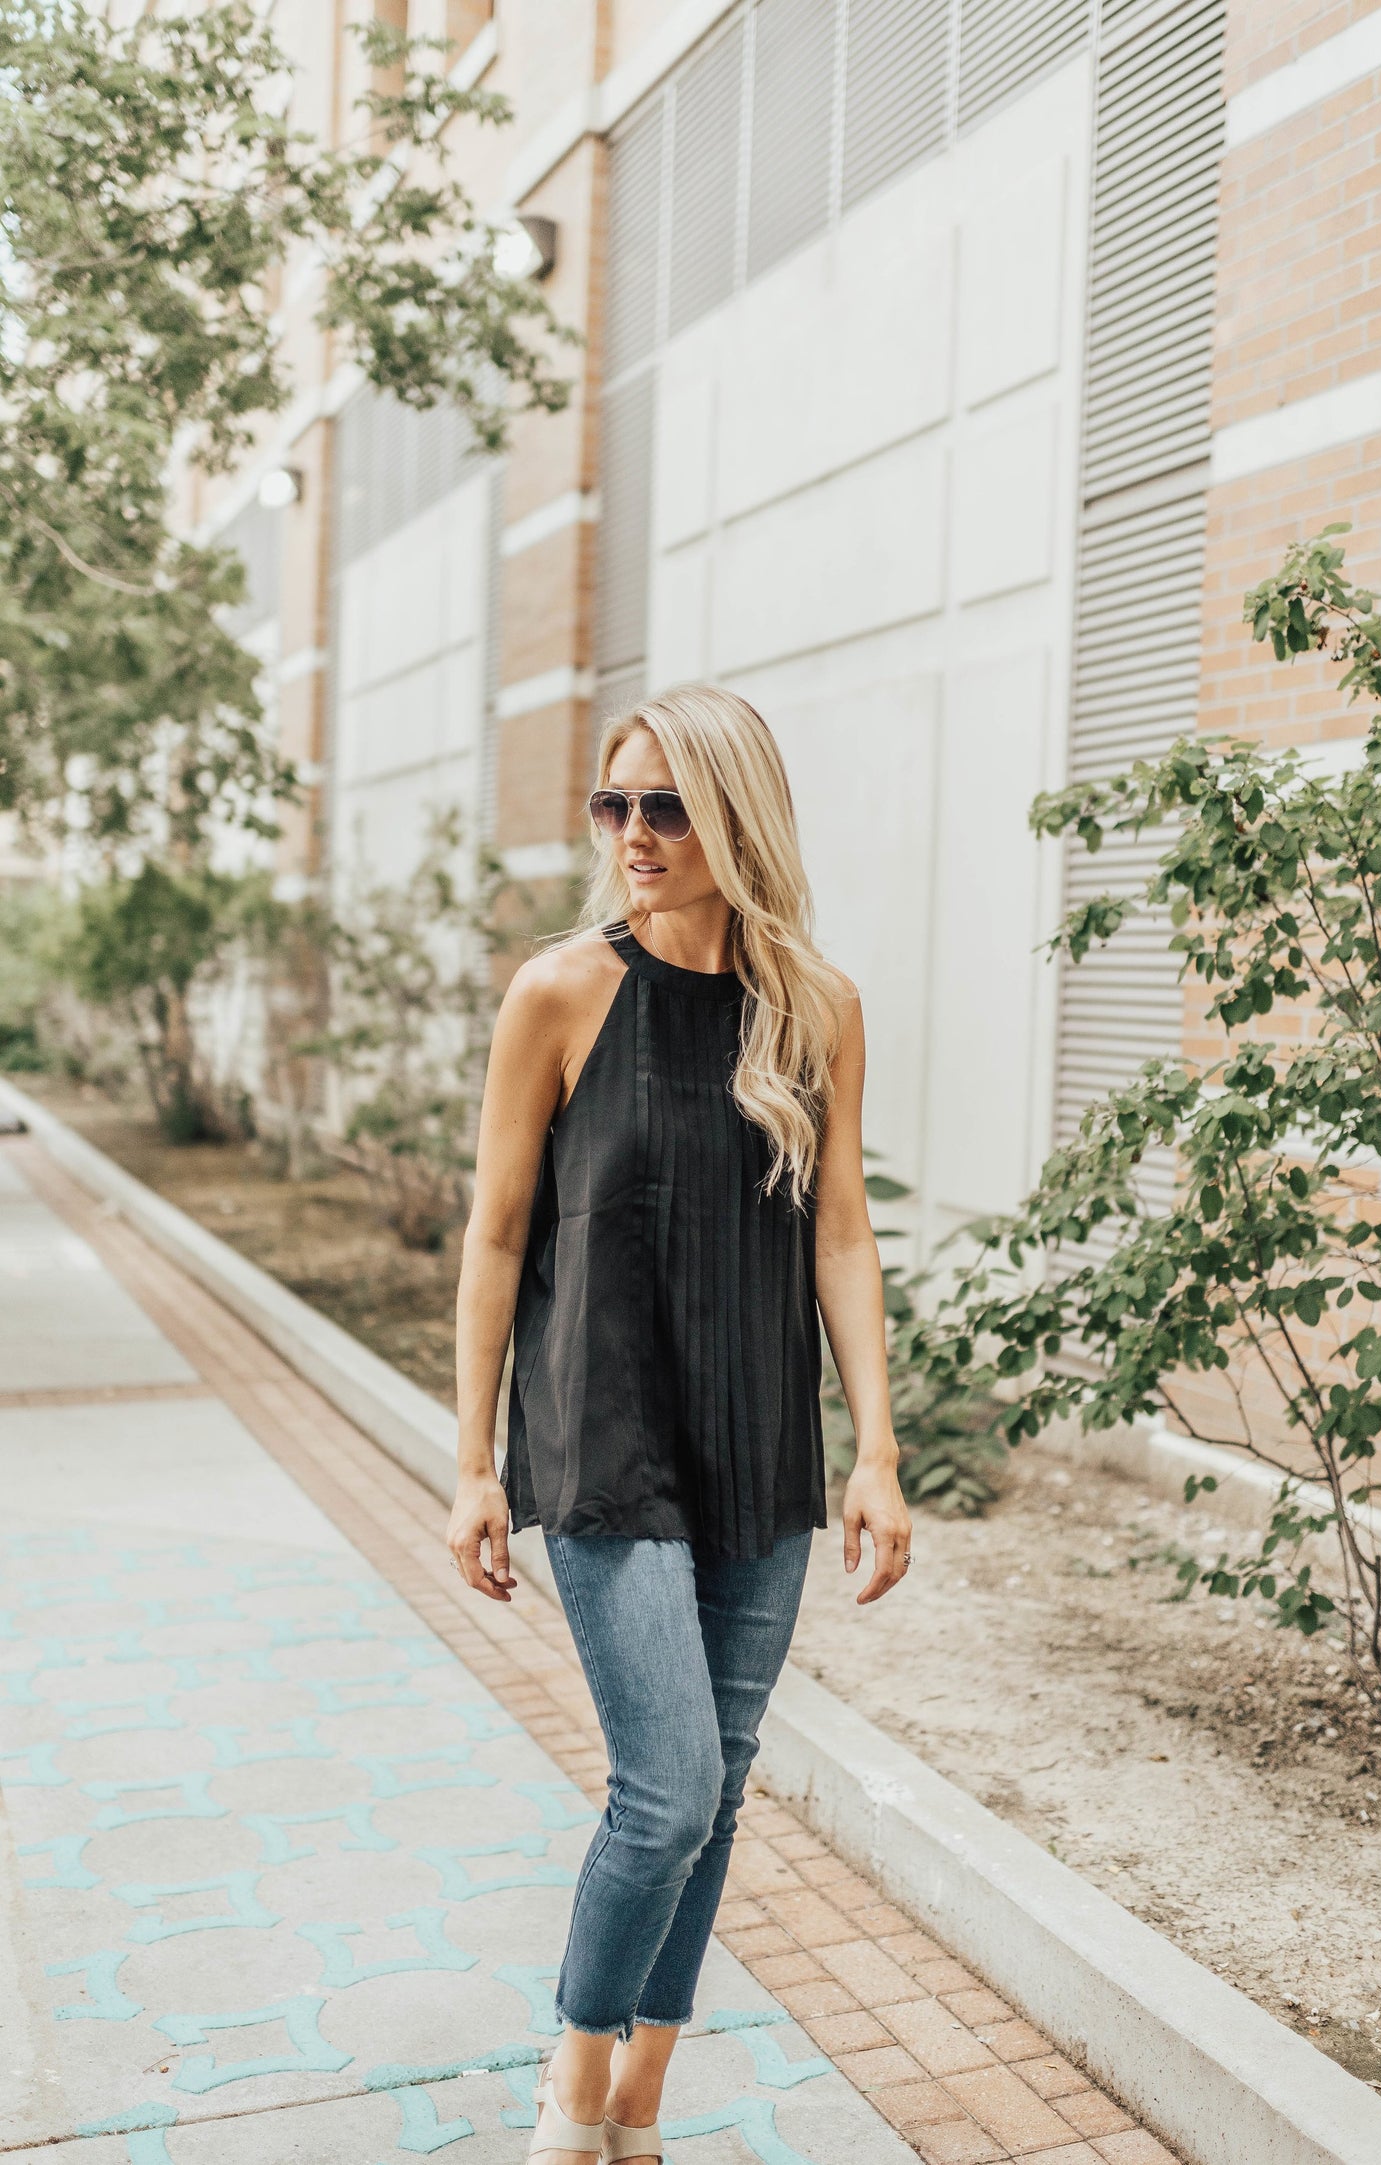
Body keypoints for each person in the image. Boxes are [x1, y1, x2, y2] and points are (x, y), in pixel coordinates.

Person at [448, 684, 912, 2164]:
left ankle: (643, 2098)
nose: (633, 836)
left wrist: (877, 1450)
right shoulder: (559, 992)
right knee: (668, 1792)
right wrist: (469, 1462)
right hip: (602, 1439)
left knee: (720, 1772)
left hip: (758, 1445)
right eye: (613, 804)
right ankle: (572, 2095)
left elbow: (840, 1233)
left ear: (732, 817)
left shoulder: (816, 1006)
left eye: (663, 806)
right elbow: (497, 1235)